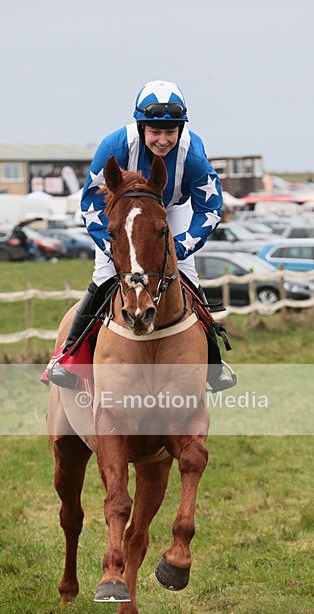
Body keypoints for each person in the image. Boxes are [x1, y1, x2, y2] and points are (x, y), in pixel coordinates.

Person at [47, 79, 236, 392]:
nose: (163, 140)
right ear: (141, 127)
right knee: (104, 276)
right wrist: (115, 246)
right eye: (155, 132)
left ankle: (214, 366)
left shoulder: (194, 155)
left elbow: (211, 208)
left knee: (188, 278)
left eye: (170, 132)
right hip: (124, 220)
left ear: (181, 130)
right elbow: (92, 202)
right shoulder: (115, 147)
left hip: (171, 211)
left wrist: (181, 246)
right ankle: (67, 356)